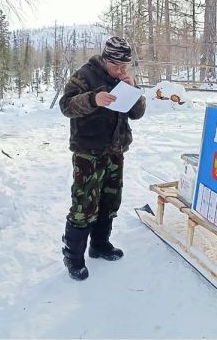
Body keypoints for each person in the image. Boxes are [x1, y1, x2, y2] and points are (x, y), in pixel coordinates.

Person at [59, 36, 146, 281]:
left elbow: (137, 113)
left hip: (115, 151)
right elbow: (66, 106)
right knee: (84, 204)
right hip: (88, 150)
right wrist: (92, 99)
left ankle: (99, 244)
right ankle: (73, 256)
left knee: (109, 200)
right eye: (117, 66)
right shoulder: (85, 76)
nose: (121, 70)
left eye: (125, 66)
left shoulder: (123, 78)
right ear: (106, 60)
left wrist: (134, 91)